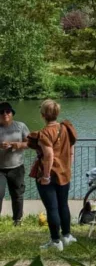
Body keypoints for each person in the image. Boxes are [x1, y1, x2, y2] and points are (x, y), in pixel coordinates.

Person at [32, 100, 78, 251]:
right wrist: (67, 167)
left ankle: (55, 241)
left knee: (52, 208)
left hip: (51, 174)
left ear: (43, 115)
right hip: (64, 173)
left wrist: (45, 176)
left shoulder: (45, 132)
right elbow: (71, 151)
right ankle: (67, 236)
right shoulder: (66, 127)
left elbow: (49, 155)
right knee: (63, 205)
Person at [0, 102, 29, 226]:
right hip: (0, 169)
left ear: (12, 113)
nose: (5, 114)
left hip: (17, 167)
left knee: (17, 194)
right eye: (2, 112)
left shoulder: (20, 126)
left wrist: (17, 145)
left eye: (8, 111)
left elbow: (29, 143)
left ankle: (17, 220)